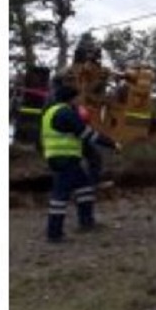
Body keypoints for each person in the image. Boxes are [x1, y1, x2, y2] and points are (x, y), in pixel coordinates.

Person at [41, 82, 121, 243]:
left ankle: (87, 222)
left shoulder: (50, 112)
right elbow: (87, 134)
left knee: (84, 188)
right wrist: (112, 144)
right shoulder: (66, 113)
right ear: (70, 99)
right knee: (60, 196)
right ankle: (54, 234)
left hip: (60, 157)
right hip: (65, 159)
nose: (78, 102)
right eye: (76, 99)